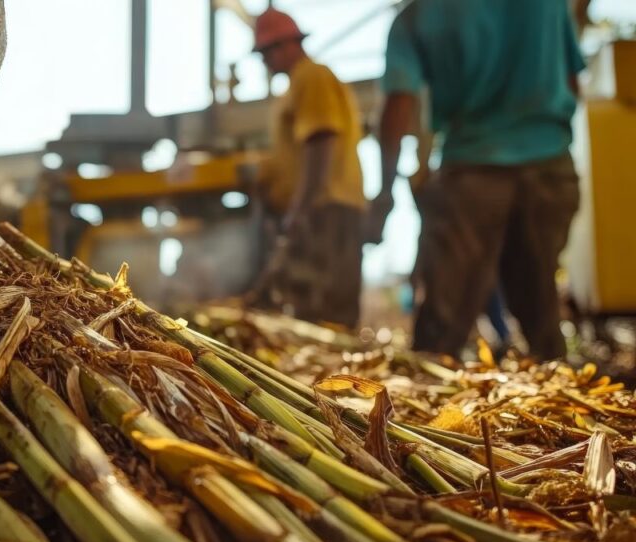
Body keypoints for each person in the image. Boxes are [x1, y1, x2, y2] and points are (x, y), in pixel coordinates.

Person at [371, 0, 585, 359]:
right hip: (550, 168)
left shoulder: (416, 15)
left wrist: (384, 195)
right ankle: (556, 370)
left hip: (472, 174)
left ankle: (432, 382)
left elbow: (398, 105)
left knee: (441, 327)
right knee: (540, 305)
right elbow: (572, 82)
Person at [249, 7, 366, 329]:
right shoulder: (297, 85)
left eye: (267, 52)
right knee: (315, 310)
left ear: (288, 44)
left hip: (325, 209)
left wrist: (299, 211)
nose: (265, 61)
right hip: (322, 208)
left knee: (325, 314)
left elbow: (320, 140)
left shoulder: (311, 77)